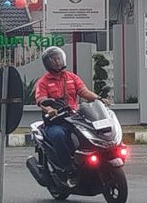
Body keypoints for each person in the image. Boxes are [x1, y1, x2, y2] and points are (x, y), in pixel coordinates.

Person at [34, 46, 109, 187]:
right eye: (53, 60)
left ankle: (91, 164)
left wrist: (99, 99)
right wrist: (50, 109)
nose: (57, 62)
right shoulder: (43, 82)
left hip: (73, 118)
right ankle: (68, 170)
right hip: (55, 121)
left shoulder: (71, 77)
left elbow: (85, 92)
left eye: (58, 58)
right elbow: (41, 101)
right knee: (58, 135)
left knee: (90, 133)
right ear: (47, 63)